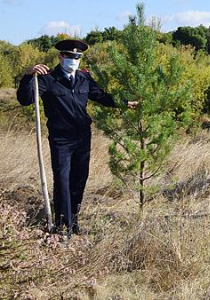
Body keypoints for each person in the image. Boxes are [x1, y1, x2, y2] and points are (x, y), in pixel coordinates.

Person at [17, 39, 139, 234]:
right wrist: (28, 76)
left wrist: (125, 103)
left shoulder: (84, 78)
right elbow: (25, 100)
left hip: (82, 137)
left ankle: (73, 222)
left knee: (79, 179)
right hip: (61, 139)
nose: (73, 60)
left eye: (77, 57)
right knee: (62, 179)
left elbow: (102, 96)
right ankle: (61, 224)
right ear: (61, 57)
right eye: (70, 56)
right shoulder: (47, 79)